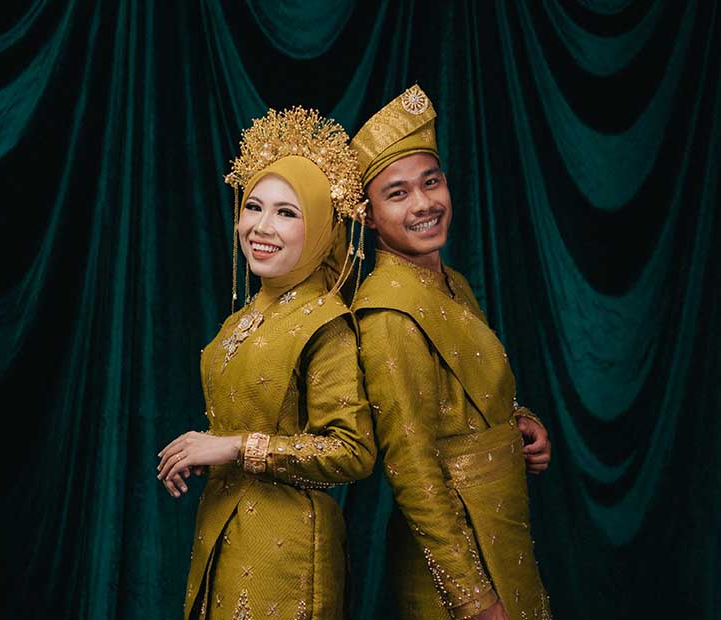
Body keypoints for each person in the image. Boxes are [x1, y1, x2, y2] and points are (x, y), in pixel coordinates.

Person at [156, 107, 376, 620]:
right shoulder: (242, 319)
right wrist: (203, 451)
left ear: (320, 226)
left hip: (287, 555)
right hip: (223, 534)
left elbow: (352, 451)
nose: (261, 226)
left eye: (286, 213)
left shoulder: (325, 321)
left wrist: (236, 447)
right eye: (253, 206)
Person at [350, 85, 552, 620]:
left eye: (431, 182)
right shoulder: (388, 313)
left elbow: (470, 395)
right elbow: (411, 468)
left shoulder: (452, 282)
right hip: (457, 564)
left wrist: (519, 421)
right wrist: (472, 598)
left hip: (502, 533)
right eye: (397, 193)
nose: (424, 204)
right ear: (368, 215)